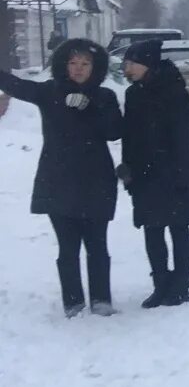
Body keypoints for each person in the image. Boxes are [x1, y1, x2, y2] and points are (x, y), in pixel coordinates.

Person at [0, 37, 124, 316]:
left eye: (85, 63)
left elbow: (114, 131)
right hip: (58, 180)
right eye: (72, 63)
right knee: (68, 248)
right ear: (63, 65)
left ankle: (102, 300)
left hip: (96, 180)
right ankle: (73, 302)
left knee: (97, 245)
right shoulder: (48, 92)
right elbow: (14, 86)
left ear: (96, 67)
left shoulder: (105, 97)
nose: (79, 69)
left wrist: (90, 106)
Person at [119, 38, 189, 308]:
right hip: (144, 174)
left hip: (173, 171)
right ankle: (160, 284)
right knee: (152, 230)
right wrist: (128, 169)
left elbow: (182, 138)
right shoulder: (133, 93)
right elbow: (129, 137)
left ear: (147, 65)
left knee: (179, 227)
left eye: (132, 63)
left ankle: (180, 283)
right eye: (126, 63)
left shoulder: (174, 91)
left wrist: (182, 175)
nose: (127, 68)